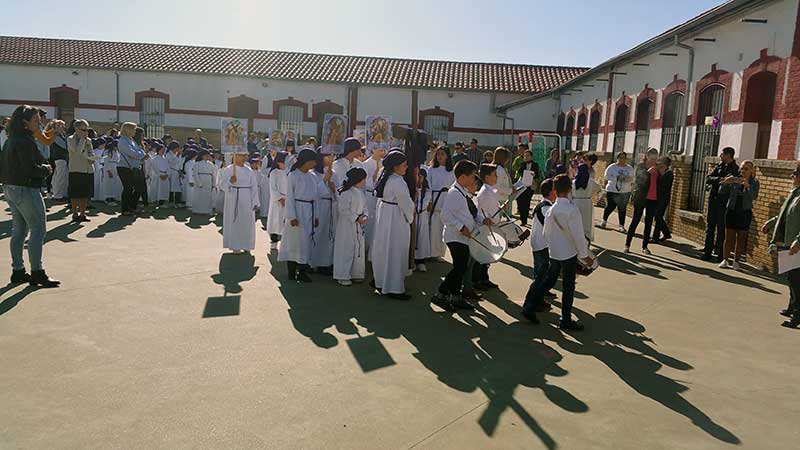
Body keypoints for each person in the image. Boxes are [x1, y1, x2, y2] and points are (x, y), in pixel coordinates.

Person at [521, 174, 593, 330]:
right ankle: (565, 319)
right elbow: (579, 236)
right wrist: (584, 255)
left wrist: (554, 247)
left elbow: (547, 232)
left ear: (554, 189)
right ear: (569, 189)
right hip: (568, 254)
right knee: (568, 287)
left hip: (554, 252)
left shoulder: (551, 209)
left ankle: (531, 305)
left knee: (549, 279)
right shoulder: (572, 210)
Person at [0, 105, 60, 287]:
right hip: (26, 188)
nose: (39, 123)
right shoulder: (25, 141)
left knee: (18, 230)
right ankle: (37, 272)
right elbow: (30, 168)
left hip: (11, 187)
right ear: (25, 123)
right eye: (36, 120)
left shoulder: (11, 139)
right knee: (38, 229)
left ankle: (18, 270)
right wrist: (46, 170)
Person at [431, 160, 491, 311]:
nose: (474, 179)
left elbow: (469, 215)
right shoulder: (454, 193)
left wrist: (482, 220)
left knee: (461, 267)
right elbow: (445, 216)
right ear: (463, 177)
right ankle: (440, 293)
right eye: (472, 176)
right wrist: (461, 227)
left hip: (463, 238)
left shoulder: (463, 192)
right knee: (460, 268)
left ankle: (455, 297)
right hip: (455, 237)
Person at [370, 150, 414, 300]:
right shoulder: (398, 182)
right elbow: (406, 204)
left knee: (384, 249)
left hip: (385, 215)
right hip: (395, 218)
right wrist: (410, 217)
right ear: (396, 167)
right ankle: (394, 287)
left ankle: (381, 281)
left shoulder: (385, 176)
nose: (406, 167)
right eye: (404, 165)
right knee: (395, 251)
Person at [762, 163, 800, 329]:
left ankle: (797, 315)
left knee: (796, 281)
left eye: (795, 173)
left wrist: (798, 241)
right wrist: (771, 223)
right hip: (787, 241)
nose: (792, 176)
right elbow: (784, 215)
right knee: (791, 278)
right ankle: (792, 307)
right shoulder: (795, 193)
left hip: (795, 245)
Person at [279, 148, 320, 282]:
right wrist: (291, 216)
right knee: (294, 242)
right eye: (312, 161)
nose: (314, 164)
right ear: (305, 161)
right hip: (297, 211)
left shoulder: (312, 176)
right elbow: (289, 196)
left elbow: (316, 197)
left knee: (306, 242)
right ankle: (291, 271)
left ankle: (302, 271)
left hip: (309, 210)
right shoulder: (293, 176)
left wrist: (316, 216)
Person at [522, 178, 558, 313]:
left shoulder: (544, 205)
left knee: (541, 274)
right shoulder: (546, 208)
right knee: (541, 275)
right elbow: (552, 227)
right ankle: (531, 303)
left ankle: (538, 299)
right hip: (541, 245)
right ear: (552, 192)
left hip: (538, 244)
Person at [718, 160, 759, 270]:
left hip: (744, 211)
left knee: (741, 238)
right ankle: (725, 259)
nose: (743, 171)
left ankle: (736, 262)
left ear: (751, 170)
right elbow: (721, 191)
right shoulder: (735, 178)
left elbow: (753, 196)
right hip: (732, 209)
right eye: (742, 168)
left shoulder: (754, 182)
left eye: (746, 169)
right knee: (729, 237)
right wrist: (726, 183)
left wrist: (747, 186)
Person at [702, 147, 740, 262]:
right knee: (710, 226)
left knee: (721, 228)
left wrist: (722, 180)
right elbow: (709, 178)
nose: (720, 156)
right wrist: (720, 179)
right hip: (714, 199)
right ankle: (707, 251)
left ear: (728, 155)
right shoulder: (719, 167)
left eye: (722, 154)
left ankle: (719, 253)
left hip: (724, 202)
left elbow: (731, 182)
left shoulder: (735, 169)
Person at [333, 167, 368, 286]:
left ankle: (356, 273)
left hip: (358, 226)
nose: (365, 181)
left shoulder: (361, 192)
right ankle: (342, 275)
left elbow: (365, 207)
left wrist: (364, 216)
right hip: (346, 225)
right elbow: (343, 210)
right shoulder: (346, 193)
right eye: (363, 179)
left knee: (357, 249)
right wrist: (356, 218)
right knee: (346, 248)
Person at [220, 153, 260, 254]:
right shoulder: (229, 169)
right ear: (234, 156)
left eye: (244, 156)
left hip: (247, 198)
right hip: (234, 197)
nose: (243, 158)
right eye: (240, 155)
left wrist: (255, 201)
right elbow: (221, 184)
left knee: (247, 221)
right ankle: (235, 245)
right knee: (235, 221)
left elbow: (254, 186)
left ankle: (246, 244)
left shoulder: (249, 170)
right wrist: (230, 181)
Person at [625, 148, 660, 255]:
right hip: (641, 197)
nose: (653, 157)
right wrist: (648, 173)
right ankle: (627, 245)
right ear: (647, 155)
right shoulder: (641, 166)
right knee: (635, 220)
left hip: (653, 198)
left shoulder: (658, 167)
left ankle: (645, 246)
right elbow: (638, 179)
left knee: (649, 223)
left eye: (655, 155)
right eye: (651, 155)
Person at [473, 163, 501, 289]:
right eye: (494, 175)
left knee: (488, 253)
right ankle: (477, 280)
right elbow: (480, 212)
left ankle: (484, 278)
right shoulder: (484, 193)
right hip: (484, 227)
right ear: (487, 177)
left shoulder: (491, 191)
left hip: (491, 226)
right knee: (481, 254)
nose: (497, 177)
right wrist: (485, 220)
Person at [311, 148, 337, 275]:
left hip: (330, 205)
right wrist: (324, 181)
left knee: (328, 235)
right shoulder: (313, 174)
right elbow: (314, 191)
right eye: (327, 156)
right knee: (318, 234)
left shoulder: (333, 172)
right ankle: (312, 262)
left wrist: (334, 188)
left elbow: (337, 190)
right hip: (319, 205)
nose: (330, 159)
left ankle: (325, 263)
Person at [427, 146, 455, 259]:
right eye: (438, 154)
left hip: (446, 200)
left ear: (447, 156)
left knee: (443, 228)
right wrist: (429, 201)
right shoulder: (431, 170)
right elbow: (428, 186)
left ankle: (439, 253)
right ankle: (431, 252)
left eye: (442, 154)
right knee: (433, 228)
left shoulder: (452, 171)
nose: (439, 157)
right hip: (434, 199)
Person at [66, 119, 95, 223]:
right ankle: (74, 213)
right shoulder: (70, 139)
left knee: (85, 194)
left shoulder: (89, 140)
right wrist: (83, 140)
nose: (86, 132)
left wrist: (92, 158)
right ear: (76, 129)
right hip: (76, 169)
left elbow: (91, 153)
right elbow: (77, 152)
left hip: (87, 169)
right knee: (75, 194)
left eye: (87, 129)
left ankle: (83, 214)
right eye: (83, 130)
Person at [116, 122, 147, 216]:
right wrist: (140, 155)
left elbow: (140, 151)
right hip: (124, 167)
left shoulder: (131, 140)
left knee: (138, 188)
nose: (135, 131)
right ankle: (125, 209)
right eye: (133, 129)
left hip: (133, 167)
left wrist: (139, 154)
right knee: (128, 188)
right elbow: (132, 152)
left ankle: (132, 206)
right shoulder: (122, 140)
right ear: (128, 130)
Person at [572, 152, 601, 241]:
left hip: (575, 202)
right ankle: (585, 241)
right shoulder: (591, 182)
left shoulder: (574, 182)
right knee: (586, 223)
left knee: (575, 222)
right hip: (587, 203)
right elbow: (598, 189)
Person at [600, 152, 633, 232]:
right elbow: (606, 176)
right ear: (617, 158)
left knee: (622, 208)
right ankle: (604, 221)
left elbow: (632, 178)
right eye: (620, 158)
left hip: (625, 191)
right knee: (611, 206)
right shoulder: (612, 167)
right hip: (612, 190)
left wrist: (625, 179)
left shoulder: (629, 168)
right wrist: (617, 178)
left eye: (624, 158)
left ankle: (621, 225)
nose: (622, 160)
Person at [362, 146, 385, 252]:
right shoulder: (366, 163)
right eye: (379, 150)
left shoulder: (384, 163)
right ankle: (366, 245)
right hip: (369, 194)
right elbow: (364, 181)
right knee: (369, 221)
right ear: (373, 150)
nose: (381, 152)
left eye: (383, 150)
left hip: (378, 196)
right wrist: (374, 176)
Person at [267, 152, 288, 250]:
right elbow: (272, 188)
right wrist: (279, 198)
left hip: (288, 199)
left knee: (285, 222)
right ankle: (274, 242)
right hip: (277, 201)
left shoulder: (289, 173)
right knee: (275, 222)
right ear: (280, 162)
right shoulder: (274, 173)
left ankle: (284, 243)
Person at [414, 168, 433, 272]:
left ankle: (421, 261)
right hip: (414, 216)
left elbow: (426, 202)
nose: (419, 179)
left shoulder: (427, 190)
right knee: (413, 237)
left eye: (420, 177)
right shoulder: (412, 189)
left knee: (422, 238)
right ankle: (412, 260)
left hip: (422, 215)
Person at [515, 148, 540, 226]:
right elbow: (519, 172)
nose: (526, 157)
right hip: (523, 185)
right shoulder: (522, 164)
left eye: (528, 156)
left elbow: (537, 174)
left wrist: (534, 175)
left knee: (527, 202)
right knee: (521, 201)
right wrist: (523, 165)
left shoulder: (535, 164)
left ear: (531, 157)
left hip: (530, 185)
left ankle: (525, 219)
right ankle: (523, 219)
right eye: (525, 156)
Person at [652, 156, 674, 244]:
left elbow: (664, 186)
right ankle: (656, 237)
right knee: (658, 217)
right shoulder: (659, 172)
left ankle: (666, 233)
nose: (658, 163)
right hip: (656, 197)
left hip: (663, 198)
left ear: (665, 164)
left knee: (658, 216)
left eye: (660, 162)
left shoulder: (669, 173)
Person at [49, 121, 69, 201]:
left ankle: (60, 193)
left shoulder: (61, 135)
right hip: (59, 158)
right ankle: (58, 195)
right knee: (60, 177)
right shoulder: (56, 136)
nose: (63, 127)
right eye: (61, 125)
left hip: (61, 158)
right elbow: (65, 146)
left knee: (60, 177)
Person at [192, 149, 216, 215]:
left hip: (208, 181)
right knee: (199, 196)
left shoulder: (211, 164)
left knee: (207, 196)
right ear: (202, 156)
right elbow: (195, 174)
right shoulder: (197, 164)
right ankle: (197, 210)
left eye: (208, 155)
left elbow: (214, 174)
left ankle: (207, 210)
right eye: (206, 155)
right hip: (200, 180)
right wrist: (199, 183)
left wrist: (214, 184)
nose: (208, 156)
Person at [492, 147, 514, 216]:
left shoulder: (502, 168)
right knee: (496, 221)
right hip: (499, 199)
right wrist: (510, 191)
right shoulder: (499, 169)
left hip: (503, 198)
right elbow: (496, 186)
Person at [255, 152, 271, 229]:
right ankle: (264, 213)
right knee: (265, 197)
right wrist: (270, 170)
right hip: (266, 179)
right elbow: (262, 171)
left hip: (272, 180)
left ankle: (269, 213)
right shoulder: (266, 158)